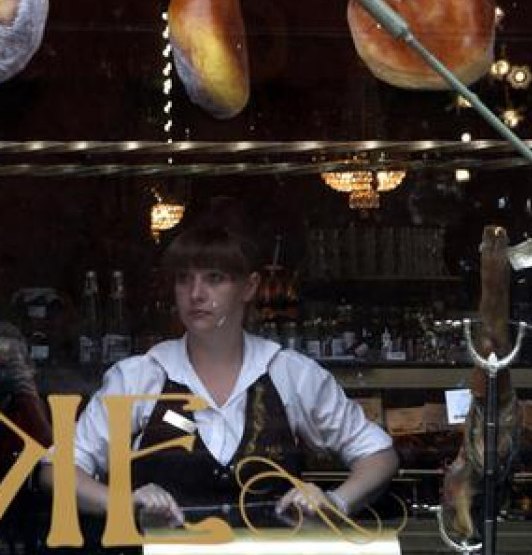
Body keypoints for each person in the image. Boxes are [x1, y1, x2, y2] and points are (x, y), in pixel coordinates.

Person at [64, 198, 399, 528]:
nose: (196, 293)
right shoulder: (140, 377)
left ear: (249, 287)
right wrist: (125, 504)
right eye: (184, 279)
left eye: (214, 278)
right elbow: (60, 471)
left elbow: (380, 456)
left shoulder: (290, 373)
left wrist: (334, 502)